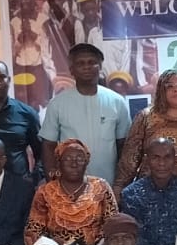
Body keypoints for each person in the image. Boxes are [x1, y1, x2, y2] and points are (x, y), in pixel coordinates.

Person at [24, 138, 118, 245]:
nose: (74, 164)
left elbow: (114, 227)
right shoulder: (45, 192)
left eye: (80, 159)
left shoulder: (101, 187)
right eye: (67, 159)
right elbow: (33, 231)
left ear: (87, 162)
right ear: (59, 163)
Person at [39, 42, 131, 184]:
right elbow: (48, 145)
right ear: (71, 70)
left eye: (92, 62)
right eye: (80, 63)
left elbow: (123, 146)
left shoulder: (117, 102)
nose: (86, 67)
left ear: (100, 67)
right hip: (69, 187)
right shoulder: (57, 104)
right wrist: (52, 181)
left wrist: (120, 183)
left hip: (107, 185)